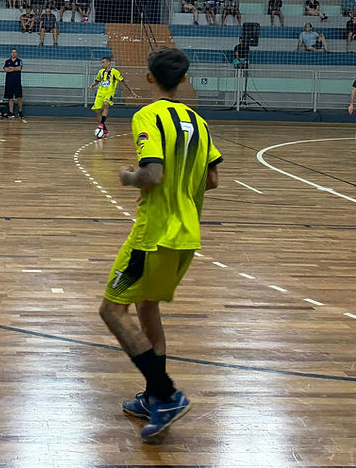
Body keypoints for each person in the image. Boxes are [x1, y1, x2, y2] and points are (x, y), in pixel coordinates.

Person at [98, 46, 221, 444]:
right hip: (188, 235)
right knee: (147, 308)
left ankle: (166, 394)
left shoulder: (146, 116)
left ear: (149, 78)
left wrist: (127, 177)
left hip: (153, 233)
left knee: (113, 312)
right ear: (184, 80)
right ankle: (154, 396)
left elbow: (152, 174)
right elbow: (214, 180)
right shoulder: (200, 123)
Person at [88, 56, 136, 138]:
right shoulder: (101, 72)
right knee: (96, 110)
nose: (102, 64)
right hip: (100, 93)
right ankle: (104, 129)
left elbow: (123, 82)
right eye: (102, 62)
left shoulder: (115, 72)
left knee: (106, 104)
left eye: (103, 62)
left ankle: (101, 126)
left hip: (109, 93)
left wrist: (131, 92)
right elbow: (97, 81)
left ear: (109, 62)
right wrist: (92, 86)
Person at [3, 48, 24, 120]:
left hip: (17, 82)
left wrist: (11, 68)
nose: (13, 53)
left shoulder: (19, 61)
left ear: (17, 53)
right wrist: (14, 69)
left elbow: (19, 68)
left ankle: (20, 111)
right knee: (10, 98)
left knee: (19, 97)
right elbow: (5, 69)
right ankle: (11, 112)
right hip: (9, 82)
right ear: (10, 53)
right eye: (12, 52)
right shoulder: (7, 61)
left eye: (15, 52)